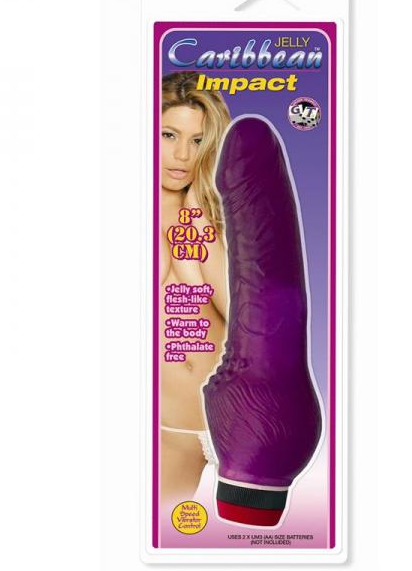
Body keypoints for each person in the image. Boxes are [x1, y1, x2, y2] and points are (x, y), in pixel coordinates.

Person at [159, 72, 231, 503]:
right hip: (170, 430)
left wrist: (198, 219)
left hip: (234, 421)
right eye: (168, 135)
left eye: (198, 141)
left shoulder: (210, 219)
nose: (183, 155)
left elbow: (243, 316)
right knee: (154, 532)